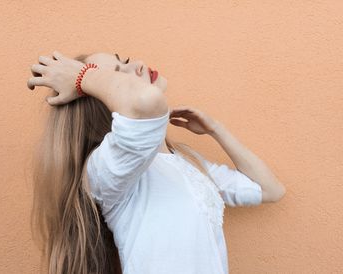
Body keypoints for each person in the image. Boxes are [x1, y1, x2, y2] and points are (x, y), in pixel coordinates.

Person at [27, 50, 286, 274]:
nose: (138, 64)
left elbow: (270, 189)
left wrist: (216, 130)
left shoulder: (188, 162)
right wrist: (82, 78)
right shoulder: (106, 169)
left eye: (125, 60)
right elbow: (146, 102)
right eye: (120, 72)